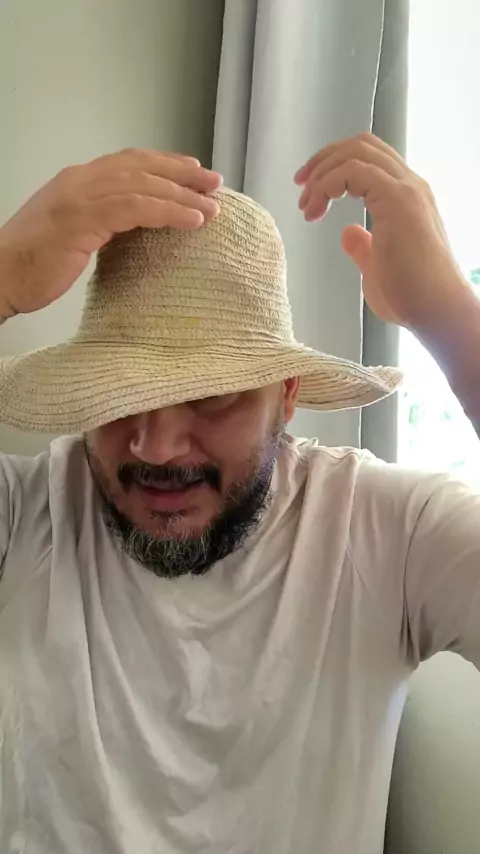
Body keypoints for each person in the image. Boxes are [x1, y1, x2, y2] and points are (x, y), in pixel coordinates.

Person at [0, 133, 478, 854]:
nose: (156, 447)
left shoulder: (390, 534)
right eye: (121, 395)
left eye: (211, 394)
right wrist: (4, 274)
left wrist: (453, 323)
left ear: (286, 396)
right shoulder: (27, 514)